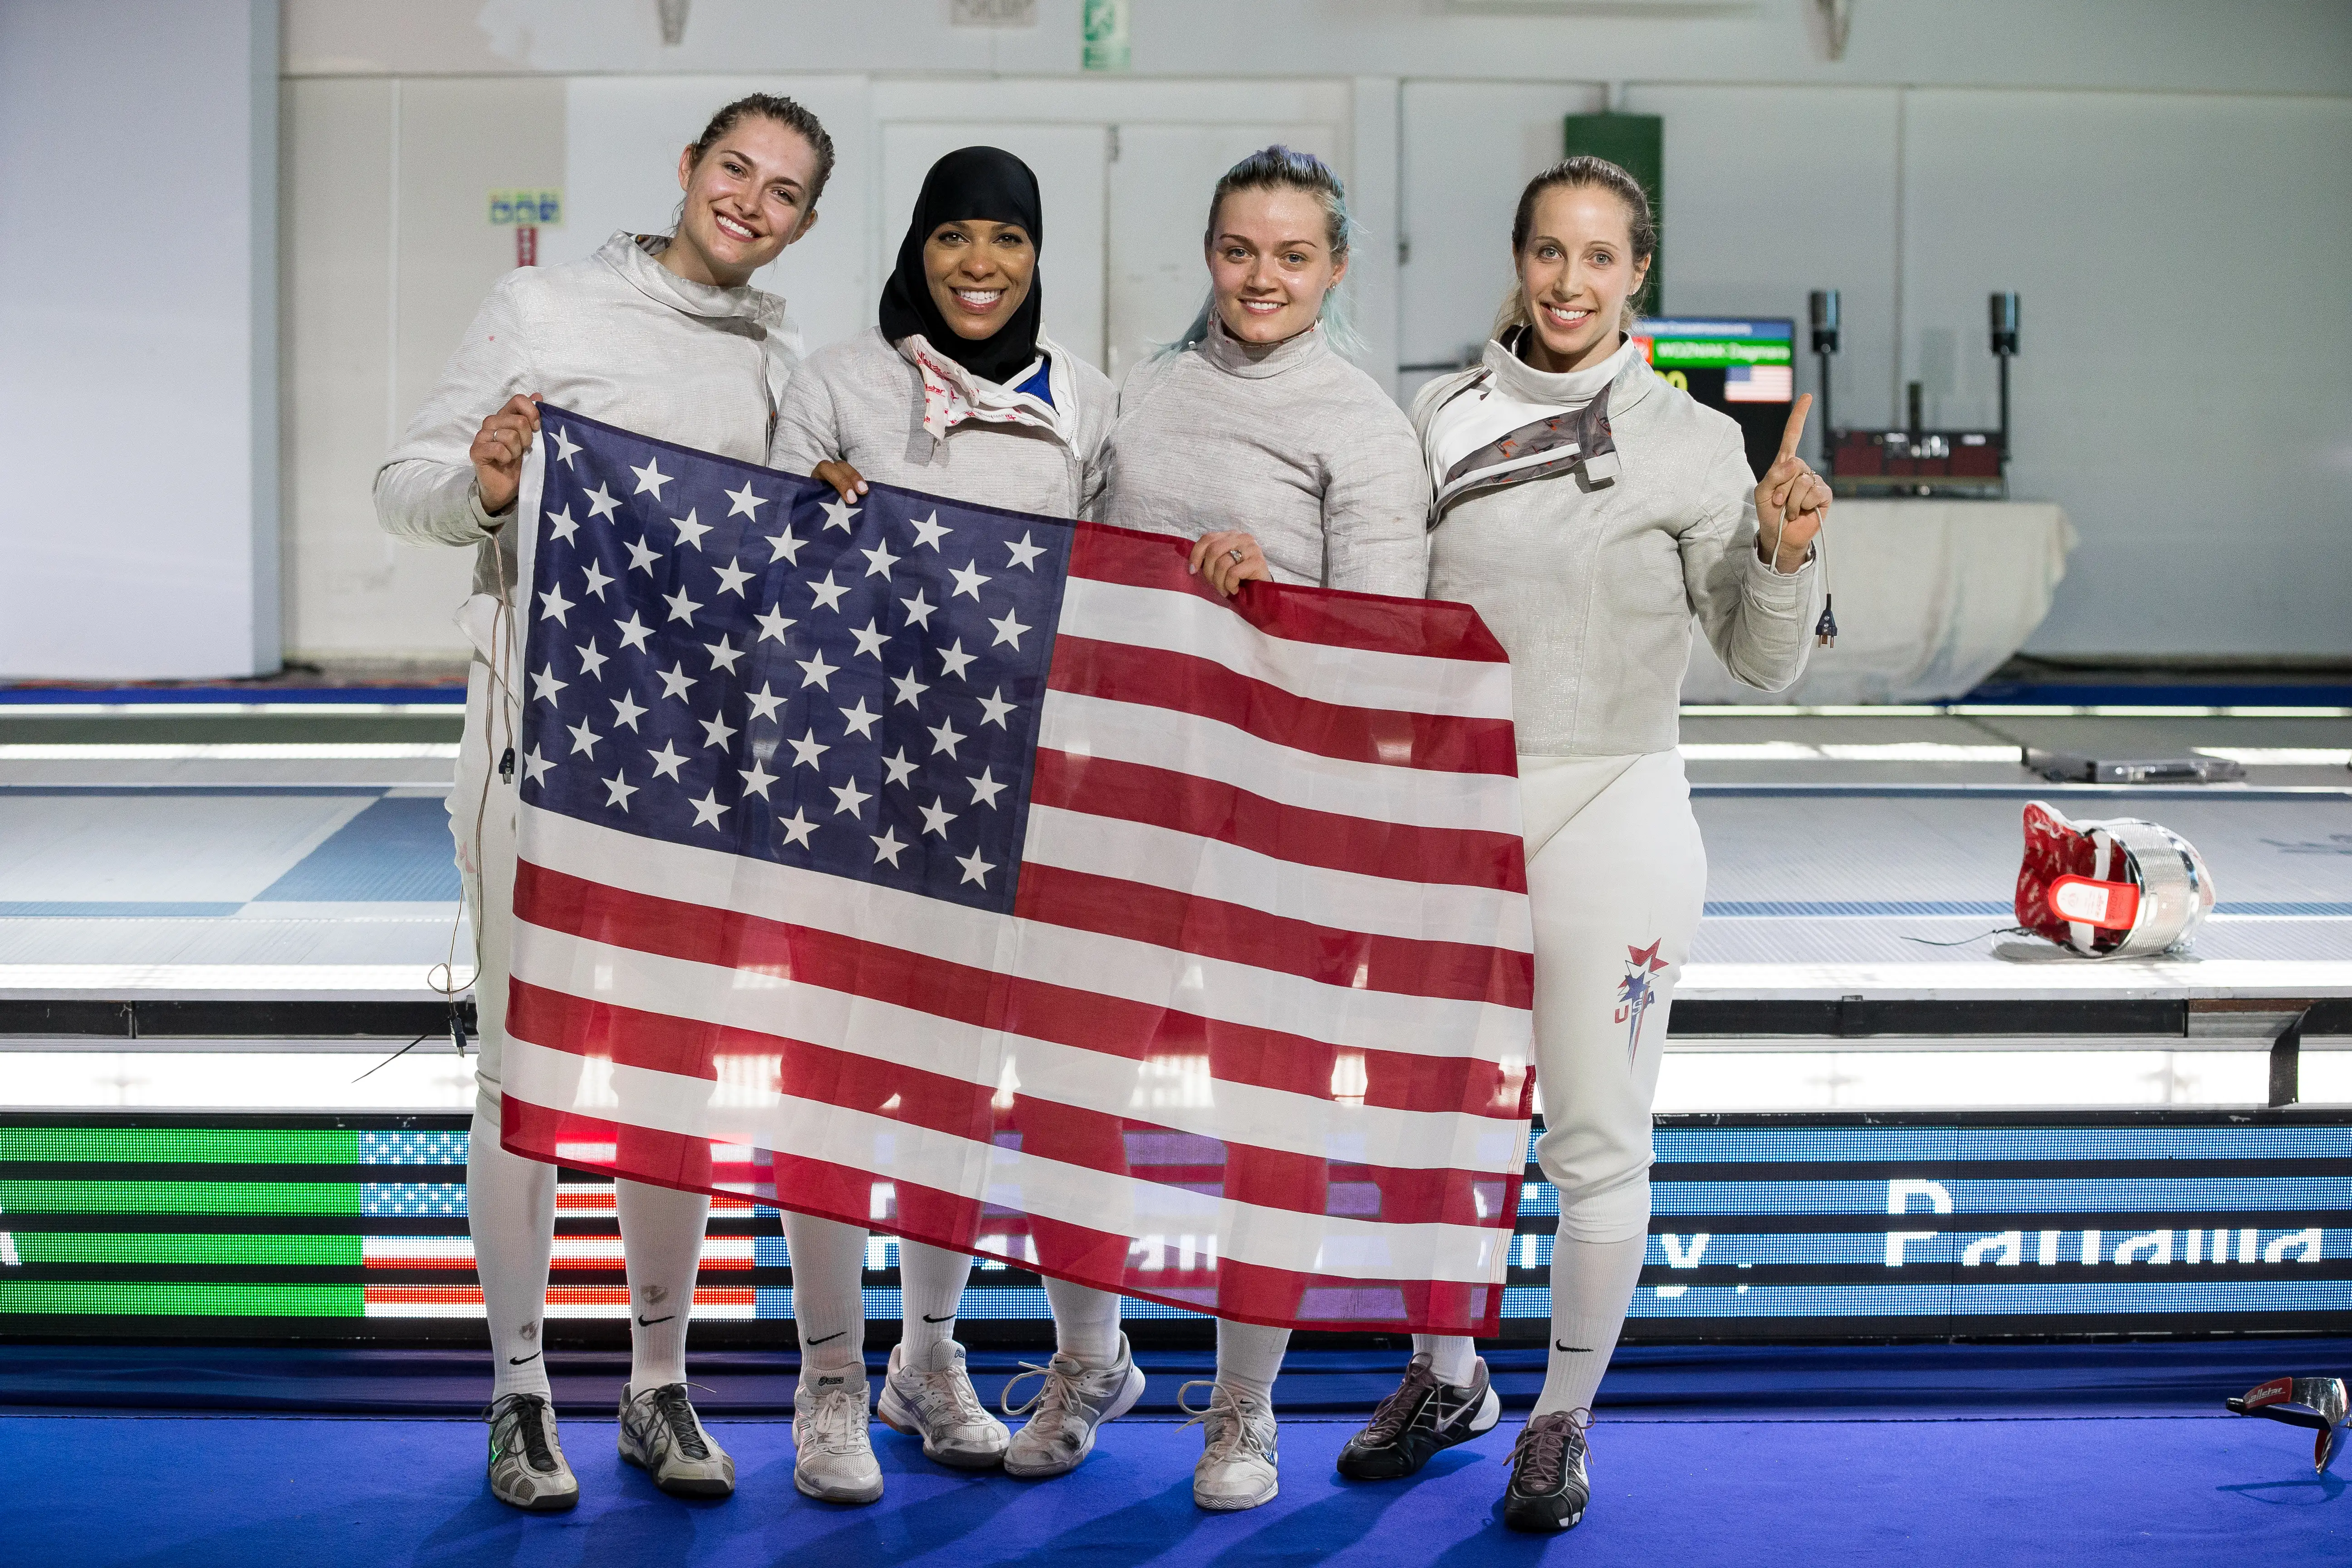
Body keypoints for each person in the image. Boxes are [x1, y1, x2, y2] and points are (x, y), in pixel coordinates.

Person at [1330, 155, 1827, 1533]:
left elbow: (1761, 659)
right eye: (1550, 252)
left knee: (1593, 1140)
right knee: (1427, 1129)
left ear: (1637, 276)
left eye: (1600, 259)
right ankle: (1448, 1378)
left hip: (1615, 806)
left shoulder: (1692, 442)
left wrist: (1786, 557)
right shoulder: (1439, 418)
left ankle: (1558, 1423)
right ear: (1519, 257)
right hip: (1453, 815)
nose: (1570, 282)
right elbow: (1383, 618)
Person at [373, 93, 832, 1512]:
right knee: (524, 1081)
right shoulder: (544, 314)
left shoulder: (786, 365)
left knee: (675, 1083)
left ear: (805, 222)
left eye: (785, 191)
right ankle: (520, 1401)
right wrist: (490, 487)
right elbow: (404, 484)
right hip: (534, 751)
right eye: (735, 169)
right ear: (687, 170)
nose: (751, 201)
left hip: (702, 770)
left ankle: (655, 1385)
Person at [1045, 144, 1430, 1512]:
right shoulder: (1137, 397)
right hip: (1129, 800)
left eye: (1290, 255)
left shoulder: (1365, 429)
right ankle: (1088, 1362)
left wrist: (1275, 602)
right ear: (1207, 252)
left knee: (1271, 1112)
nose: (1259, 279)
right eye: (1237, 249)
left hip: (1289, 822)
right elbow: (1069, 576)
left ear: (1331, 268)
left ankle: (1245, 1414)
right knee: (1069, 1085)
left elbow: (1383, 664)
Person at [767, 144, 1117, 1508]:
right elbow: (762, 570)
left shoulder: (1087, 400)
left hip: (1006, 797)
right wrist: (814, 517)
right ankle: (828, 1382)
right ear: (918, 245)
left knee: (960, 1093)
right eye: (957, 236)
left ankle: (925, 1358)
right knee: (837, 1083)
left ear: (1039, 256)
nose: (982, 264)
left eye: (1009, 241)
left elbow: (1114, 591)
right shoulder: (838, 384)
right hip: (854, 788)